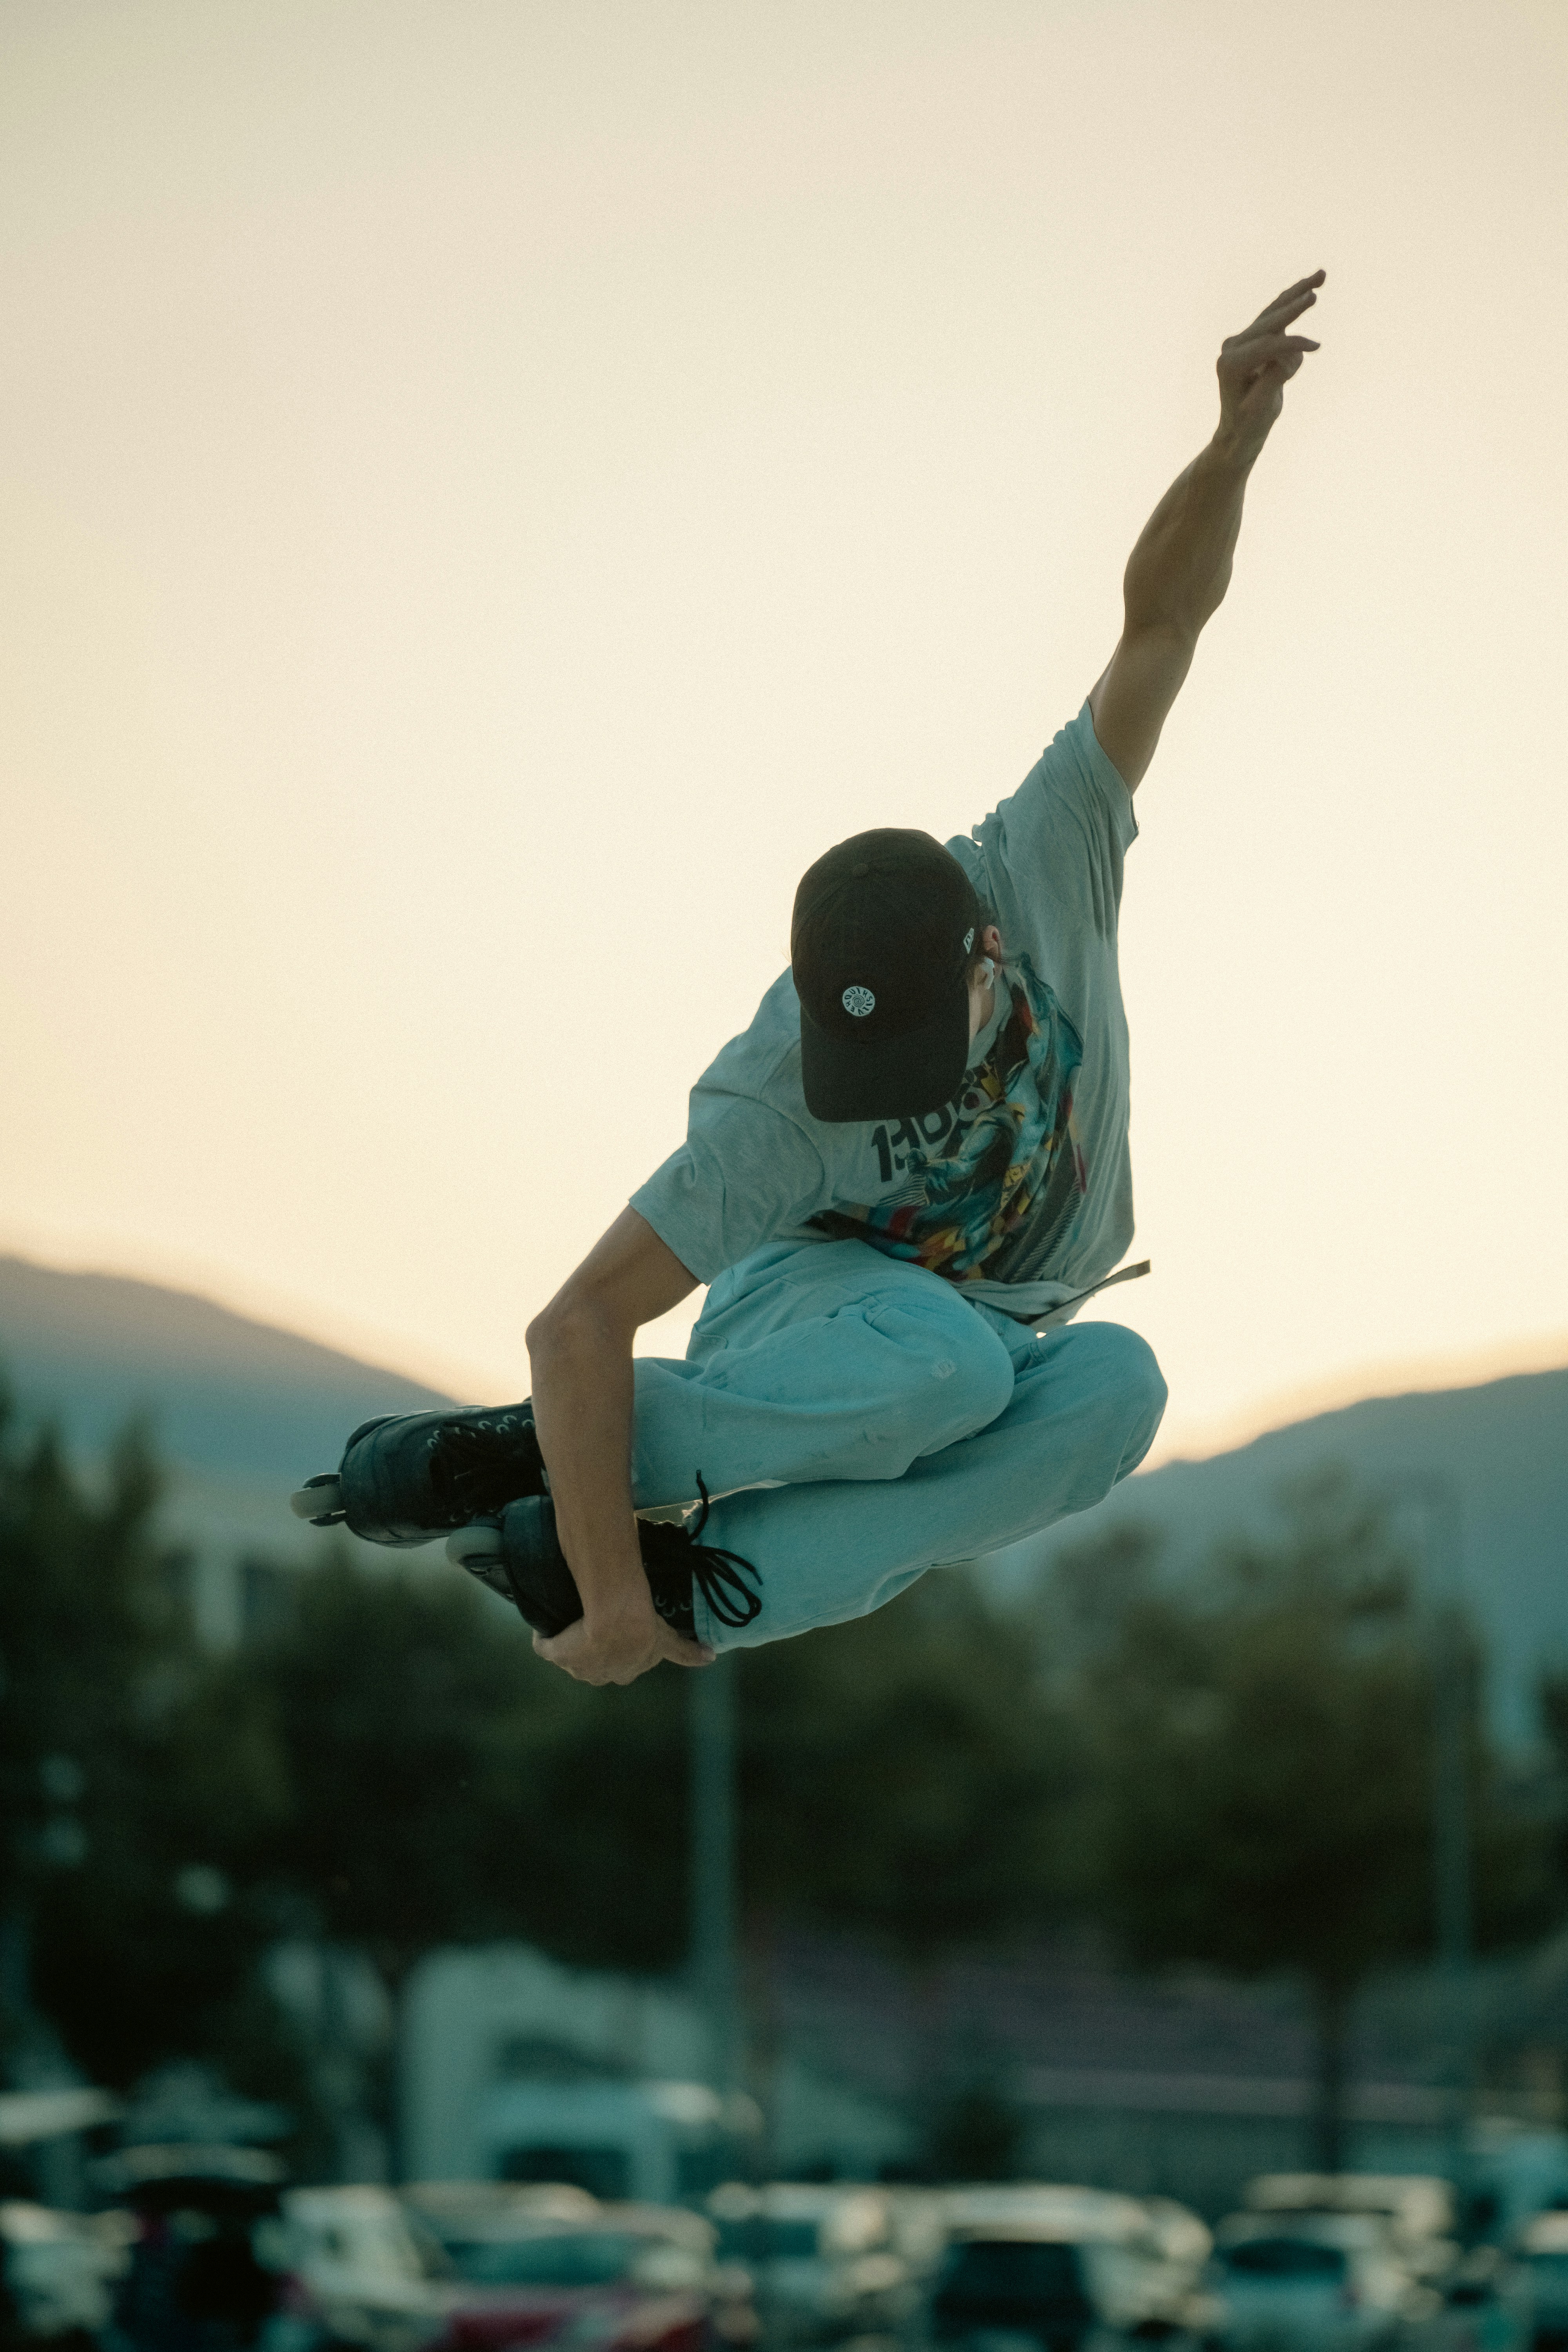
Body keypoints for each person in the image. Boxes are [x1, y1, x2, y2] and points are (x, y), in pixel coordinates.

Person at [301, 269, 1323, 1684]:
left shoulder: (1048, 854)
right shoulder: (774, 1098)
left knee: (1116, 1394)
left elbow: (1160, 627)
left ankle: (706, 1591)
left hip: (1025, 1327)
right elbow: (580, 1317)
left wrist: (1230, 444)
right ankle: (558, 1475)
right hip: (816, 1318)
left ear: (986, 955)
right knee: (941, 1373)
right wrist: (590, 1611)